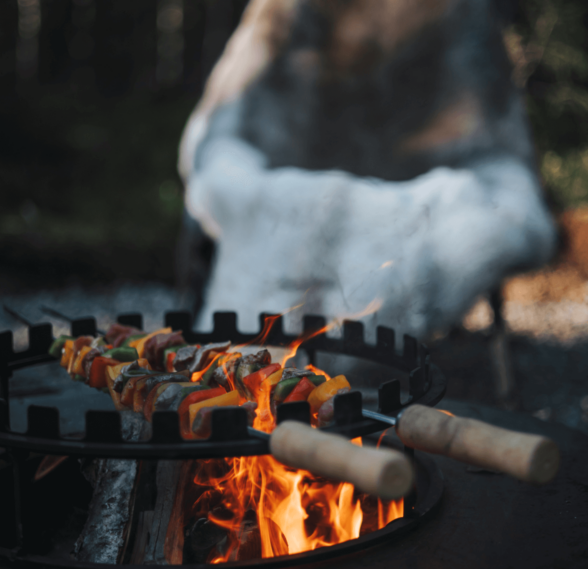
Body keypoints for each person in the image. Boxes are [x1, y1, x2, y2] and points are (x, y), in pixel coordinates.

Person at [177, 0, 555, 341]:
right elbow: (222, 132)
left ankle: (336, 368)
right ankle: (272, 372)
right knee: (259, 198)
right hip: (294, 175)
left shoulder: (459, 14)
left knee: (478, 224)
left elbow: (491, 143)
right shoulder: (285, 14)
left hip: (417, 182)